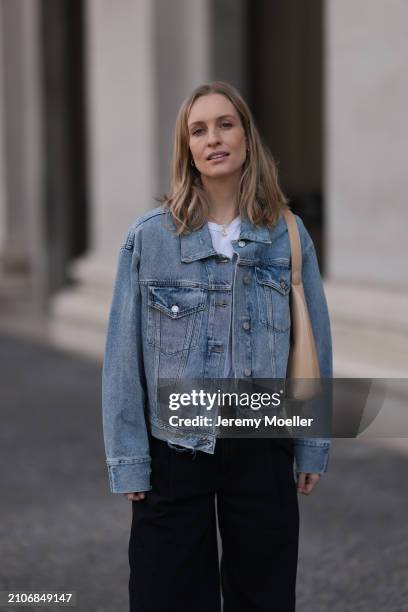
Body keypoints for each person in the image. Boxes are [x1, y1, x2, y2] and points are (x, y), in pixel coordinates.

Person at [102, 81, 333, 612]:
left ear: (246, 137)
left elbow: (313, 340)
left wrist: (312, 442)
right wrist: (130, 458)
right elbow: (122, 357)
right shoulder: (150, 238)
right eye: (198, 129)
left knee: (265, 598)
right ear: (186, 148)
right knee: (166, 596)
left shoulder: (288, 234)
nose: (213, 138)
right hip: (174, 449)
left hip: (262, 443)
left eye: (225, 124)